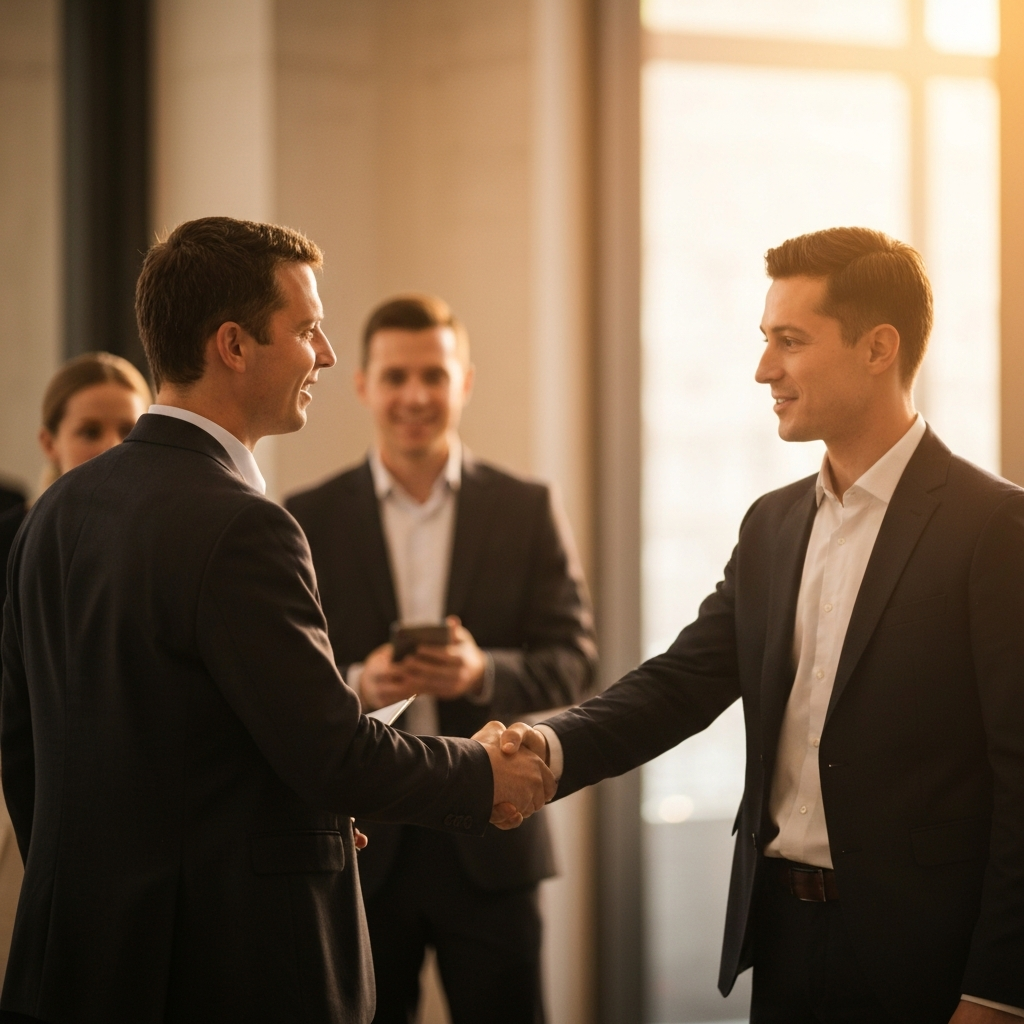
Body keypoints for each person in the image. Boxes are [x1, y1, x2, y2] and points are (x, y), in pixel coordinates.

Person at [0, 217, 553, 1024]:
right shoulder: (243, 524)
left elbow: (29, 743)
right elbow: (332, 752)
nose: (325, 355)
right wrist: (481, 774)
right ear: (234, 344)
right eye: (307, 330)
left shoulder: (54, 514)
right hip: (225, 969)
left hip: (75, 960)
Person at [505, 227, 1024, 1024]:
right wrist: (550, 746)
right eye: (764, 341)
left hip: (931, 963)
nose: (763, 369)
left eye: (790, 341)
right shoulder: (772, 525)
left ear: (879, 348)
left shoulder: (994, 528)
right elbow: (681, 683)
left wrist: (997, 992)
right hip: (781, 937)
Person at [286, 294, 597, 1024]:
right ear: (363, 385)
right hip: (364, 844)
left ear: (465, 381)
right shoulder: (307, 516)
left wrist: (482, 674)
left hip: (494, 837)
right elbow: (282, 681)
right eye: (396, 377)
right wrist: (359, 683)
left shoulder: (528, 506)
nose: (416, 396)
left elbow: (576, 660)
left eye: (434, 374)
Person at [0, 352, 152, 983]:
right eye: (91, 431)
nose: (112, 447)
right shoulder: (14, 542)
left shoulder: (162, 547)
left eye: (128, 431)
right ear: (49, 440)